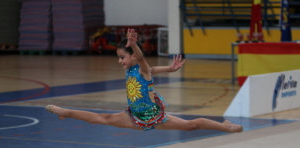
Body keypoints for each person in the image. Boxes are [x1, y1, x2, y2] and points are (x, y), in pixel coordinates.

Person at [46, 28, 243, 133]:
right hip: (134, 116)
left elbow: (143, 62)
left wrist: (133, 45)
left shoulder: (139, 64)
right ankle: (67, 112)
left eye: (122, 57)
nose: (119, 60)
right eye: (119, 57)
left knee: (191, 126)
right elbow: (151, 69)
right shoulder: (133, 69)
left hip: (154, 116)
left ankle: (225, 126)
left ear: (132, 56)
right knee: (103, 119)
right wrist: (169, 68)